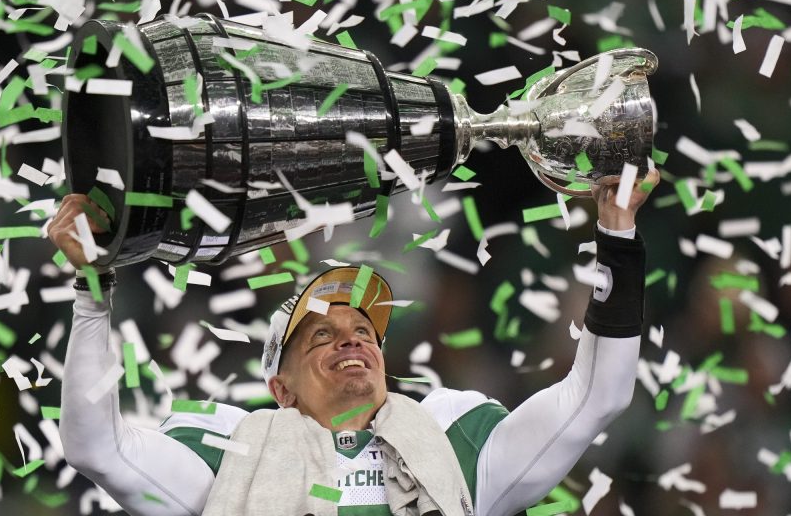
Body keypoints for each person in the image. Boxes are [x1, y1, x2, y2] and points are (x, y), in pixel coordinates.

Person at [49, 169, 659, 516]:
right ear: (278, 388)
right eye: (321, 334)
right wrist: (91, 288)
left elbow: (597, 395)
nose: (351, 340)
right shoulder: (234, 454)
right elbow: (94, 445)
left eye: (365, 332)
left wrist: (618, 234)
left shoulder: (456, 442)